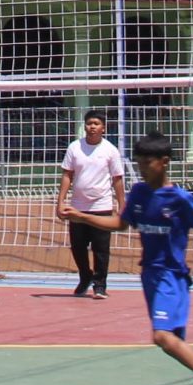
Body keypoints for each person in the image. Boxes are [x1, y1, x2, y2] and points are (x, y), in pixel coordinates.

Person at [62, 131, 193, 385]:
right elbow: (121, 223)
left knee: (162, 337)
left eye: (147, 163)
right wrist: (82, 217)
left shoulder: (180, 199)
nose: (142, 169)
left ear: (164, 162)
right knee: (171, 342)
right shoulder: (140, 193)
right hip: (150, 277)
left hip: (171, 276)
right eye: (139, 163)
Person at [55, 108, 128, 299]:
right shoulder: (74, 148)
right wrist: (60, 201)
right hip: (77, 207)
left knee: (101, 249)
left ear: (103, 128)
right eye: (89, 123)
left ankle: (100, 285)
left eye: (96, 124)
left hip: (101, 206)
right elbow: (67, 175)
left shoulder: (110, 150)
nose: (92, 127)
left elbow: (117, 178)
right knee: (77, 247)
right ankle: (85, 276)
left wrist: (122, 205)